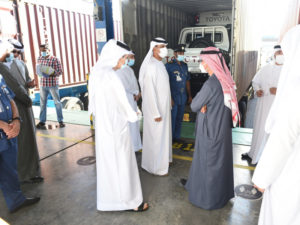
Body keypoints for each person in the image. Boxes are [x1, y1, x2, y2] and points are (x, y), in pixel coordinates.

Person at [88, 39, 148, 212]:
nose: (124, 62)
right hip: (116, 129)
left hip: (104, 130)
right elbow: (123, 105)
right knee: (123, 165)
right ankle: (130, 202)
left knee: (109, 167)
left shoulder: (97, 72)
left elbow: (94, 104)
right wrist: (134, 114)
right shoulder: (110, 76)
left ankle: (110, 202)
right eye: (122, 58)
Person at [253, 25, 300, 225]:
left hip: (289, 172)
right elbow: (256, 83)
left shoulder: (295, 85)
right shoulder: (268, 69)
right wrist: (260, 90)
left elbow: (284, 136)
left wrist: (260, 180)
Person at [181, 47, 239, 210]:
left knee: (208, 164)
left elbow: (193, 106)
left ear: (211, 63)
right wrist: (204, 105)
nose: (202, 65)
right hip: (222, 130)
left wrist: (202, 106)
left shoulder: (210, 84)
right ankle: (219, 193)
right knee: (221, 164)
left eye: (203, 62)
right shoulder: (225, 79)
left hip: (211, 130)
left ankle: (207, 199)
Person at [0, 27, 40, 213]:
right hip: (5, 124)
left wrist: (15, 118)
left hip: (13, 119)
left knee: (11, 163)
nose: (10, 54)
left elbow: (8, 95)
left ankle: (17, 196)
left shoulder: (12, 68)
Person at [242, 45, 283, 164]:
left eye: (282, 52)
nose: (281, 54)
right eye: (279, 52)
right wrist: (257, 90)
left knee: (273, 133)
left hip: (277, 108)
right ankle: (253, 154)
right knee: (259, 130)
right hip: (263, 106)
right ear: (274, 54)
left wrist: (278, 91)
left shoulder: (288, 70)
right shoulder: (266, 68)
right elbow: (256, 81)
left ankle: (268, 161)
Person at [139, 37, 172, 176]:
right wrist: (155, 113)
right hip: (156, 110)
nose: (164, 49)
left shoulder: (160, 64)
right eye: (161, 46)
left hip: (163, 107)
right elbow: (149, 92)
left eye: (165, 46)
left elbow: (164, 86)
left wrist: (169, 99)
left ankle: (164, 160)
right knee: (156, 138)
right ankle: (156, 168)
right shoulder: (151, 66)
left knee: (164, 136)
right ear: (154, 48)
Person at [165, 44, 192, 143]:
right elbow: (165, 83)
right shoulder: (168, 66)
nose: (182, 54)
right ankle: (170, 139)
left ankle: (176, 137)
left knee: (179, 119)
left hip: (182, 97)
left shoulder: (185, 66)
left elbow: (187, 81)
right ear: (174, 53)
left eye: (183, 53)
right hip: (173, 98)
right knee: (172, 118)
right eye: (180, 52)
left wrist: (189, 96)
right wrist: (170, 98)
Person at [116, 53, 142, 152]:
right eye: (131, 57)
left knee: (133, 124)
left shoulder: (129, 69)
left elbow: (134, 83)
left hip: (132, 99)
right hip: (127, 99)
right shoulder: (119, 70)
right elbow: (126, 85)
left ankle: (134, 146)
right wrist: (136, 92)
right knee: (128, 124)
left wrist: (138, 92)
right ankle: (129, 147)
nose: (133, 59)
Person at [35, 44, 65, 129]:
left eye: (44, 50)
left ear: (48, 50)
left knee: (57, 103)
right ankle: (42, 121)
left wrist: (52, 73)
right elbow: (39, 70)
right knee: (42, 103)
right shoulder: (39, 58)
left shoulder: (55, 59)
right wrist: (40, 73)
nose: (43, 52)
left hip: (52, 84)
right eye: (41, 51)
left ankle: (60, 121)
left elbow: (60, 72)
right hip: (43, 84)